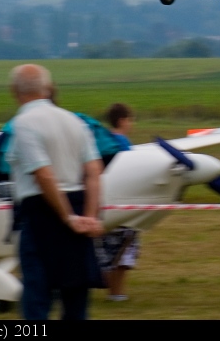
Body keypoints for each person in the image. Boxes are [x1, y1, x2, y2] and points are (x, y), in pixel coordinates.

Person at [6, 64, 104, 320]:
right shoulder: (75, 121)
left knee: (37, 296)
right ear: (47, 88)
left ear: (14, 91)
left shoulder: (23, 124)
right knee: (75, 297)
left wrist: (67, 217)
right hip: (79, 209)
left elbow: (44, 174)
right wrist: (90, 217)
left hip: (43, 212)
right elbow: (93, 171)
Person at [96, 103, 141, 302]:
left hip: (103, 202)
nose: (131, 124)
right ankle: (116, 292)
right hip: (122, 203)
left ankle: (111, 290)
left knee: (106, 248)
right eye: (130, 120)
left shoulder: (104, 141)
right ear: (122, 121)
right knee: (124, 247)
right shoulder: (122, 143)